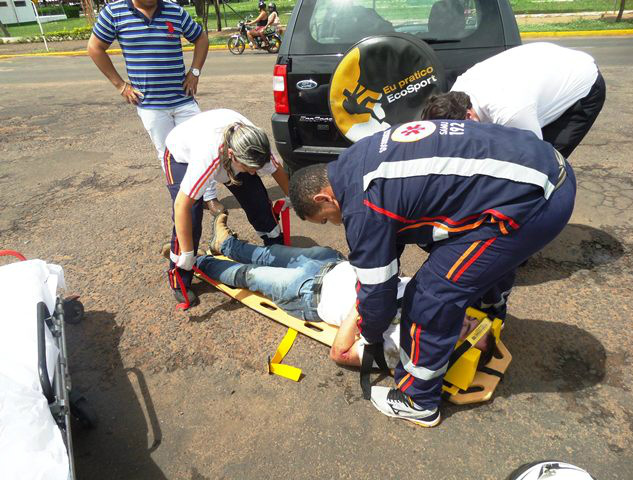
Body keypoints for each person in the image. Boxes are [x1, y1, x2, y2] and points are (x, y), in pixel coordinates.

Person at [288, 118, 576, 427]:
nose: (334, 224)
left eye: (325, 219)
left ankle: (419, 401)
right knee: (474, 262)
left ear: (323, 198)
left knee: (429, 297)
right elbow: (392, 239)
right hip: (544, 169)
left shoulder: (362, 205)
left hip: (535, 202)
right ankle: (487, 314)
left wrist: (370, 334)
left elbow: (378, 290)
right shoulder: (358, 159)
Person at [195, 213, 494, 369]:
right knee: (267, 254)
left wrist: (364, 305)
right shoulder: (435, 303)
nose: (461, 324)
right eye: (469, 322)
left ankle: (195, 261)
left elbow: (340, 353)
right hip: (331, 262)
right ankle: (225, 244)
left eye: (464, 334)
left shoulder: (401, 351)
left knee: (248, 275)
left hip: (308, 293)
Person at [87, 0, 223, 213]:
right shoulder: (114, 13)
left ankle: (209, 197)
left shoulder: (174, 11)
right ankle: (183, 201)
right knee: (169, 155)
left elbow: (201, 38)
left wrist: (194, 72)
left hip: (183, 98)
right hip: (151, 105)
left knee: (202, 146)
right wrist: (121, 86)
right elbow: (95, 47)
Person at [164, 109, 289, 308]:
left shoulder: (255, 145)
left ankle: (275, 248)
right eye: (249, 167)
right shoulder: (207, 158)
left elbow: (277, 171)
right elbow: (182, 206)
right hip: (181, 155)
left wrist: (291, 197)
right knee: (193, 216)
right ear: (232, 155)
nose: (253, 171)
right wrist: (187, 253)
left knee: (256, 199)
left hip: (228, 152)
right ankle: (179, 277)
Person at [422, 42, 606, 159]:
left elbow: (533, 155)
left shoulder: (510, 112)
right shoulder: (456, 93)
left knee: (546, 160)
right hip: (542, 65)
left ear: (469, 115)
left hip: (582, 84)